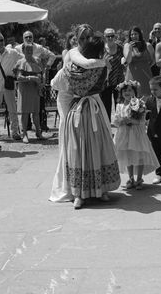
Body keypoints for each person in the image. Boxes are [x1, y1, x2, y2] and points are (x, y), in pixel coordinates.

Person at [61, 34, 121, 209]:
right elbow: (102, 85)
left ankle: (79, 193)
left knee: (77, 149)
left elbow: (62, 83)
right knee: (99, 146)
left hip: (77, 109)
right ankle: (101, 189)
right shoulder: (101, 67)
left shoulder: (70, 66)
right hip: (94, 109)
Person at [49, 24, 107, 203]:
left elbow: (56, 82)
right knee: (75, 146)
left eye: (88, 38)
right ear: (76, 39)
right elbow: (60, 83)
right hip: (72, 103)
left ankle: (97, 188)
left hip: (88, 103)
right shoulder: (72, 56)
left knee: (95, 145)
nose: (85, 41)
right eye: (82, 38)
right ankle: (76, 189)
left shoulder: (96, 61)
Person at [113, 80, 158, 189]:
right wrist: (121, 121)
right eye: (124, 91)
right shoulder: (119, 105)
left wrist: (132, 121)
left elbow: (142, 121)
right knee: (128, 156)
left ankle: (139, 179)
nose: (127, 93)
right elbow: (116, 121)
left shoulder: (139, 103)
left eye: (129, 90)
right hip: (124, 134)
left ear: (134, 92)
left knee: (139, 156)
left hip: (136, 133)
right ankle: (131, 178)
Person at [0, 32, 23, 142]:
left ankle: (15, 132)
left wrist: (17, 72)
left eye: (1, 40)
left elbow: (23, 60)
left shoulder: (12, 52)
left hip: (8, 84)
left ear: (4, 41)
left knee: (12, 109)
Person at [14, 44, 43, 141]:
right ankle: (24, 134)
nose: (29, 51)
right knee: (25, 113)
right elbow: (19, 77)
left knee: (36, 112)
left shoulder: (37, 61)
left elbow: (40, 73)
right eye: (27, 50)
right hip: (25, 90)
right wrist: (31, 78)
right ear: (23, 51)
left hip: (35, 89)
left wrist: (40, 80)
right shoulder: (20, 62)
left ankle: (38, 133)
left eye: (31, 49)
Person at [100, 27, 124, 119]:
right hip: (105, 81)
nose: (110, 38)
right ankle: (107, 126)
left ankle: (120, 125)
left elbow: (126, 59)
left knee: (119, 104)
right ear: (104, 37)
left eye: (112, 36)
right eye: (108, 36)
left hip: (119, 80)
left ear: (115, 36)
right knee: (106, 105)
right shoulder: (101, 49)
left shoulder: (120, 48)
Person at [124, 26, 155, 97]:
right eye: (132, 34)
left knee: (147, 98)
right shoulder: (127, 45)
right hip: (132, 76)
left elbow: (153, 60)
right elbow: (128, 61)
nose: (133, 36)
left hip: (146, 76)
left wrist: (146, 67)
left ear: (140, 35)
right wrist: (130, 49)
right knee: (132, 98)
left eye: (136, 34)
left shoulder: (148, 45)